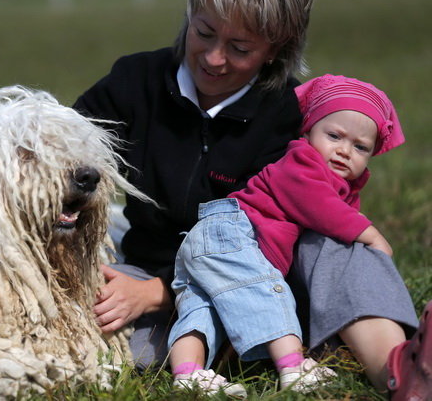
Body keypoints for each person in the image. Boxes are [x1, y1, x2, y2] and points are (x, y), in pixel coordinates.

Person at [72, 0, 430, 398]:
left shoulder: (289, 115)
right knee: (108, 338)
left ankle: (402, 368)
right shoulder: (135, 82)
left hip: (269, 274)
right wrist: (148, 289)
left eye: (239, 47)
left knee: (338, 241)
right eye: (203, 32)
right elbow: (65, 151)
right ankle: (290, 347)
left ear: (276, 49)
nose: (213, 58)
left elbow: (301, 214)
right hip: (156, 272)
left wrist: (154, 293)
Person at [168, 74, 401, 395]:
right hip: (236, 231)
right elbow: (320, 207)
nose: (345, 151)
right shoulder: (301, 161)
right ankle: (292, 366)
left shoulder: (336, 180)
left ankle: (188, 372)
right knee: (266, 289)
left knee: (201, 306)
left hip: (207, 239)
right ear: (307, 131)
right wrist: (370, 234)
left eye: (360, 147)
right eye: (334, 136)